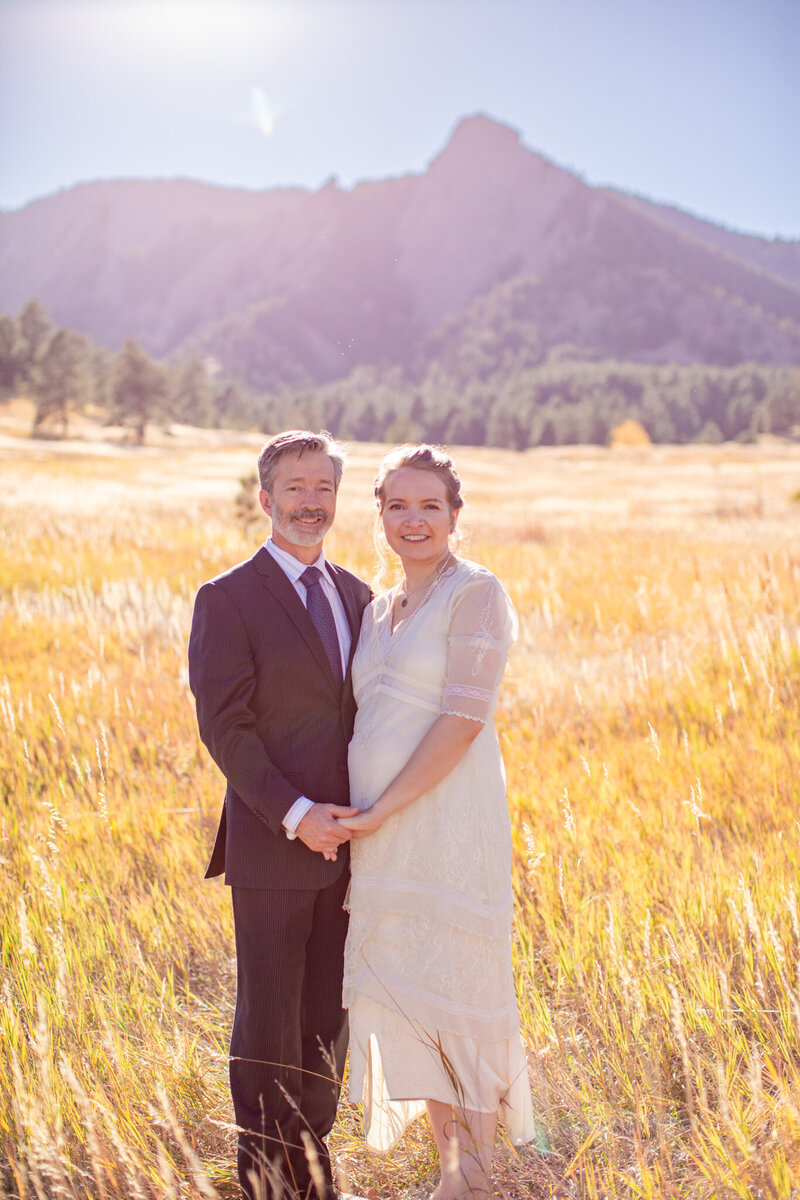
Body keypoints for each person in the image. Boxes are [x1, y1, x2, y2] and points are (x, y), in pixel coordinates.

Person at [337, 444, 537, 1200]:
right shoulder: (376, 608)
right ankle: (453, 1170)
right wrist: (368, 816)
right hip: (383, 835)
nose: (413, 520)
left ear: (455, 515)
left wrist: (382, 808)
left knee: (458, 992)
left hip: (447, 820)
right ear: (381, 515)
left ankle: (475, 1175)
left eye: (429, 506)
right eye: (398, 505)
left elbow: (462, 720)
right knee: (410, 993)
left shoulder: (475, 592)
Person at [188, 431, 371, 1200]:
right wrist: (298, 815)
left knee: (329, 1020)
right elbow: (226, 729)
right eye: (295, 487)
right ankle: (267, 1182)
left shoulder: (359, 596)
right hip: (274, 847)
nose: (310, 501)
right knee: (269, 1026)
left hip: (354, 850)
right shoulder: (227, 598)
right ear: (266, 498)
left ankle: (312, 1173)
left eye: (323, 487)